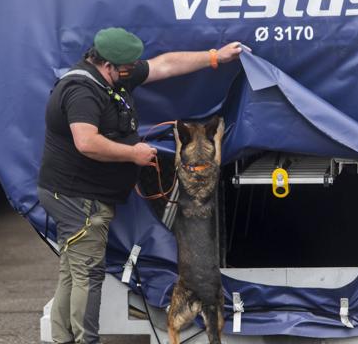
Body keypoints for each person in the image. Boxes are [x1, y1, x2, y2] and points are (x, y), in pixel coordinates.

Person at [37, 27, 242, 344]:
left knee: (72, 270)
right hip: (79, 199)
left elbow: (165, 65)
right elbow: (86, 142)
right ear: (107, 65)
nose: (133, 71)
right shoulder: (81, 91)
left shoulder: (113, 77)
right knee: (87, 274)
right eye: (127, 68)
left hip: (81, 196)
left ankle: (63, 338)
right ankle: (84, 340)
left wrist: (215, 57)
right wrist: (133, 153)